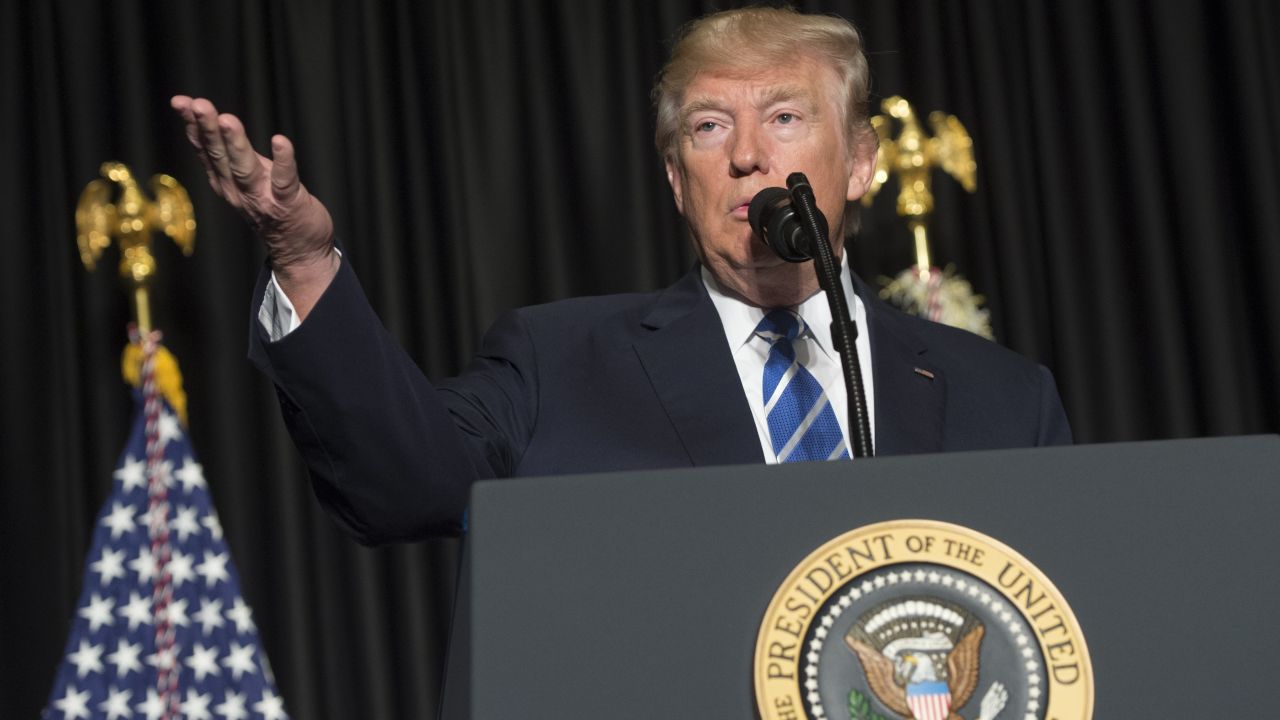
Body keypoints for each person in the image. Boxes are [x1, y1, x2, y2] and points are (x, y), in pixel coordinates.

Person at [171, 6, 1070, 546]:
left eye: (786, 116)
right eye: (710, 128)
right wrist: (300, 256)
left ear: (862, 162)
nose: (750, 156)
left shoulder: (1004, 398)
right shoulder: (559, 362)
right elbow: (405, 485)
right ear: (677, 178)